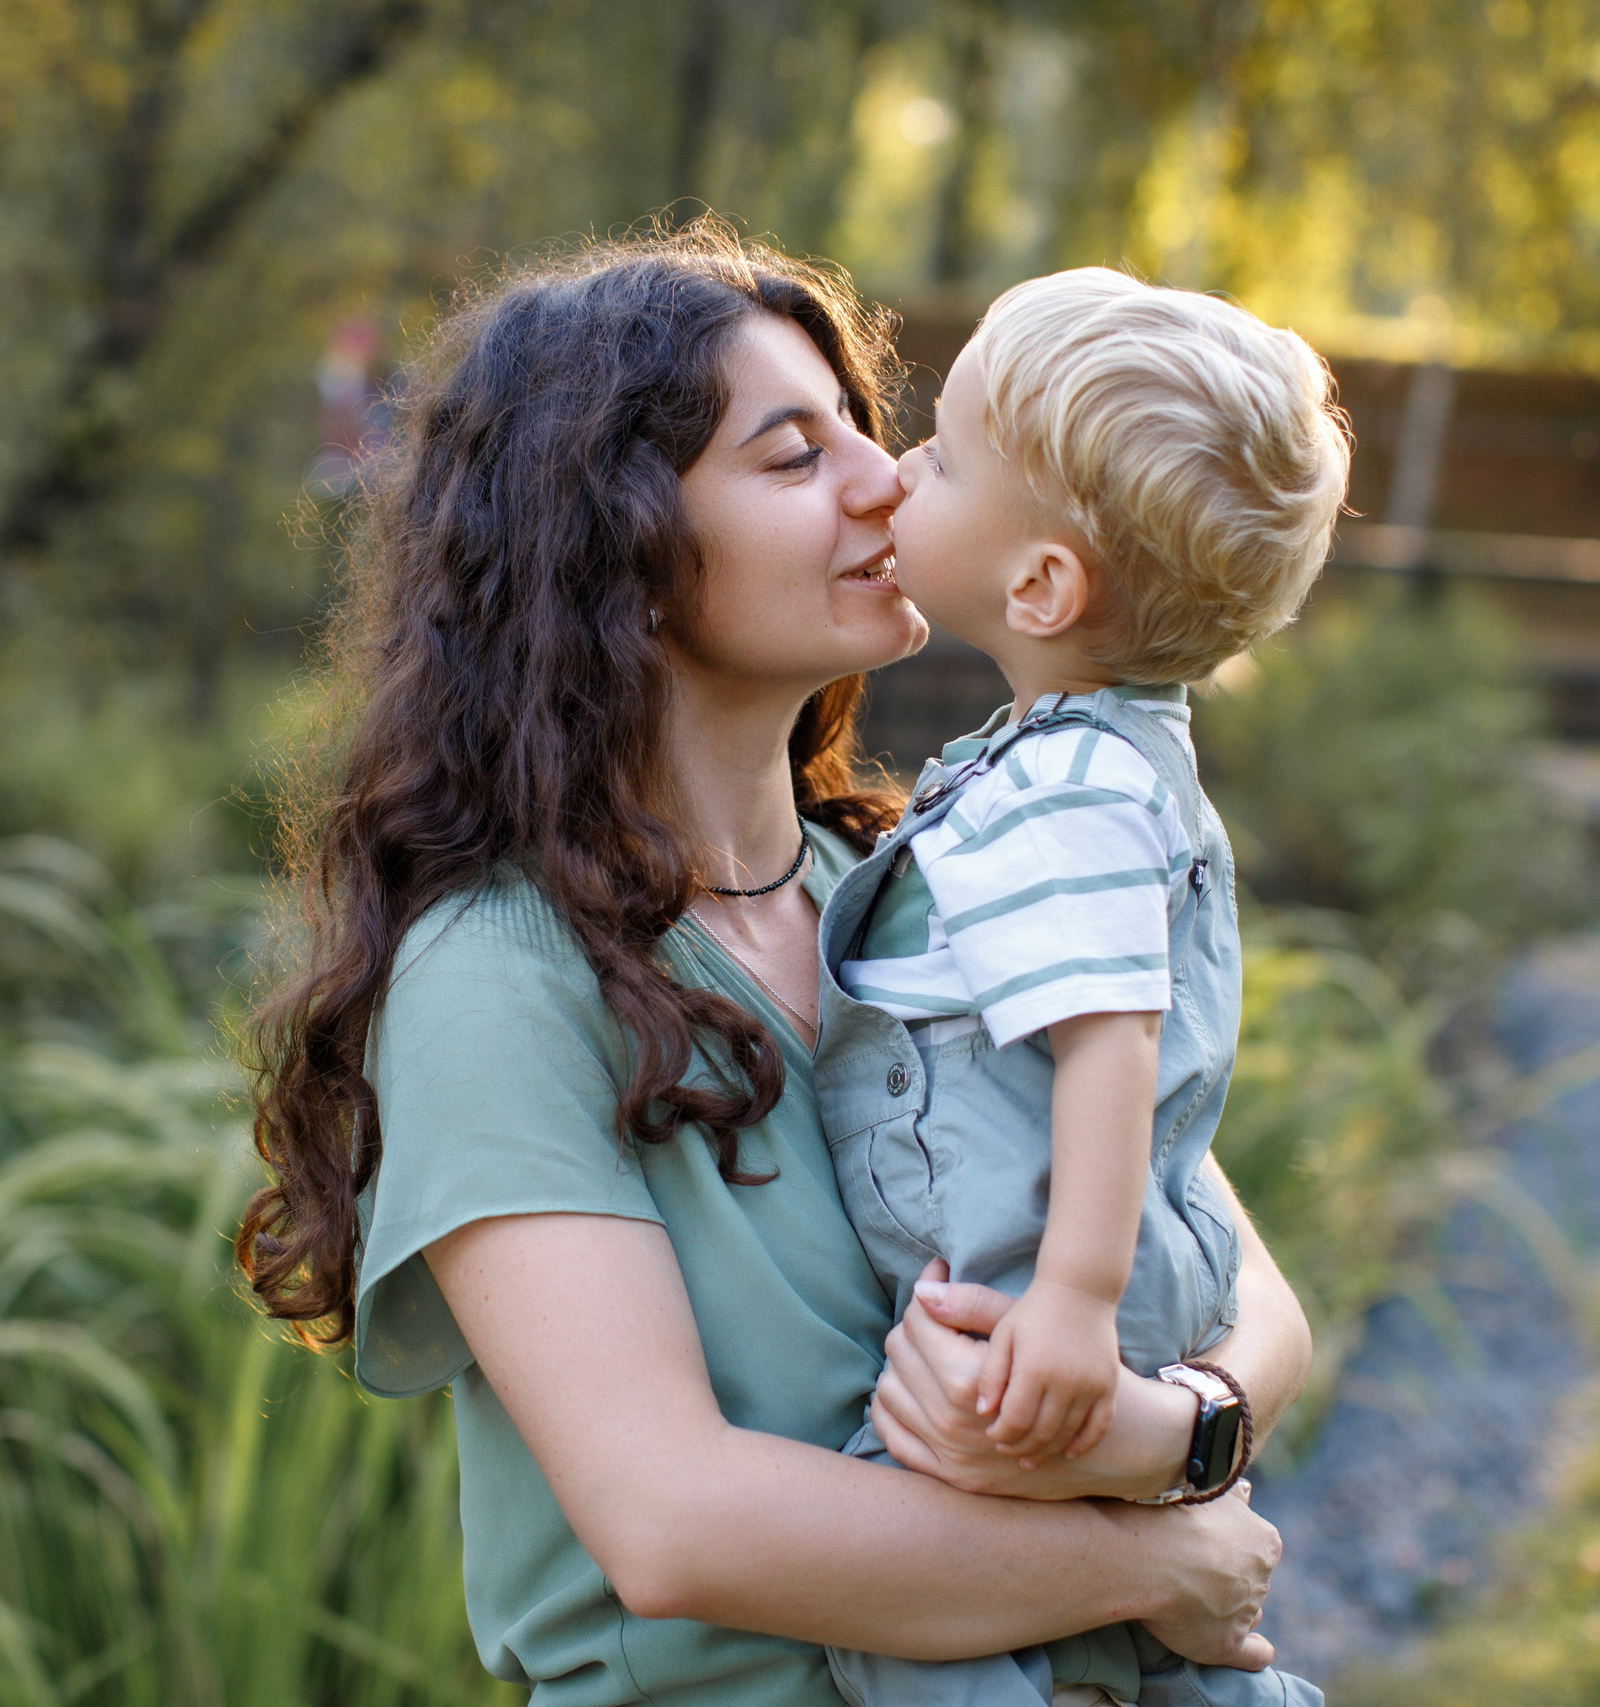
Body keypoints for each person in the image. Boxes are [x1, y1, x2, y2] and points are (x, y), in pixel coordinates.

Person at [237, 225, 1316, 1707]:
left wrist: (1170, 1436)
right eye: (796, 457)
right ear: (614, 540)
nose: (887, 482)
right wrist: (1153, 1565)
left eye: (868, 437)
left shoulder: (919, 886)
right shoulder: (498, 976)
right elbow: (675, 1525)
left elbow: (1249, 1290)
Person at [819, 270, 1351, 1707]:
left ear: (1041, 584)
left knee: (913, 1613)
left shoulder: (1066, 783)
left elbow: (1109, 1049)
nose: (896, 471)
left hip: (1027, 1294)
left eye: (940, 458)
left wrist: (1068, 1299)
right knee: (1106, 1622)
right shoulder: (1096, 764)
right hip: (1064, 1294)